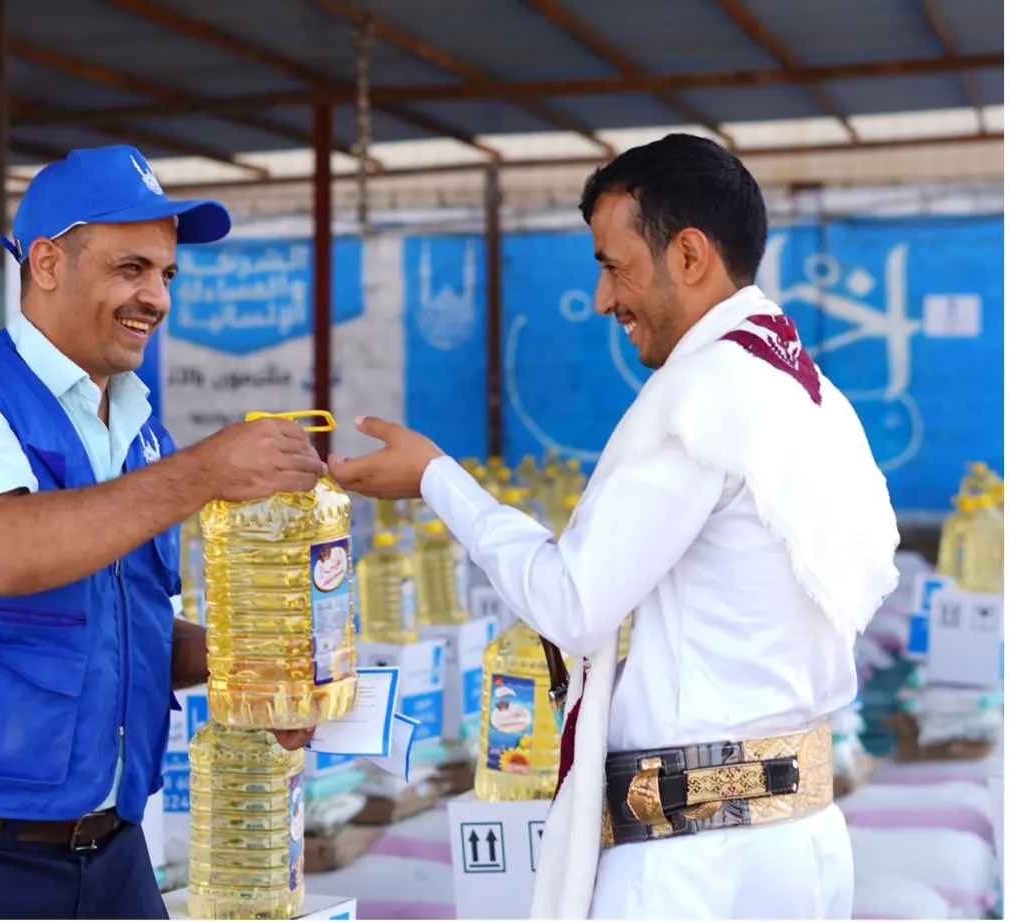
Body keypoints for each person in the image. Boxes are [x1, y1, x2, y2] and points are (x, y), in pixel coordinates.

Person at [328, 134, 899, 919]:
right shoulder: (811, 396)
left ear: (690, 255)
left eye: (612, 264)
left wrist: (437, 479)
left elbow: (572, 603)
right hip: (801, 842)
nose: (604, 300)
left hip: (695, 865)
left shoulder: (702, 396)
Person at [0, 145, 323, 921]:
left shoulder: (137, 428)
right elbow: (4, 553)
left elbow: (116, 624)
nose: (156, 297)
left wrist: (258, 665)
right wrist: (207, 471)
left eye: (166, 274)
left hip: (110, 849)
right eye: (131, 267)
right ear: (45, 263)